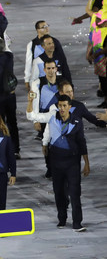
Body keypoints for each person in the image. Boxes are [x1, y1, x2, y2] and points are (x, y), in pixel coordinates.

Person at [42, 95, 90, 232]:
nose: (62, 108)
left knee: (75, 193)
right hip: (56, 162)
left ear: (69, 106)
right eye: (60, 105)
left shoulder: (76, 121)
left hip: (72, 163)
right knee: (59, 193)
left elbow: (82, 143)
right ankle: (62, 219)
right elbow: (34, 117)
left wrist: (86, 163)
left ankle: (77, 222)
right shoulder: (52, 118)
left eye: (64, 106)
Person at [24, 20, 66, 91]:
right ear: (37, 30)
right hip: (39, 79)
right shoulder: (32, 44)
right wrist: (27, 80)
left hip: (54, 79)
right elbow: (28, 63)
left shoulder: (55, 42)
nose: (47, 28)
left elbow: (62, 61)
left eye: (47, 26)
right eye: (43, 27)